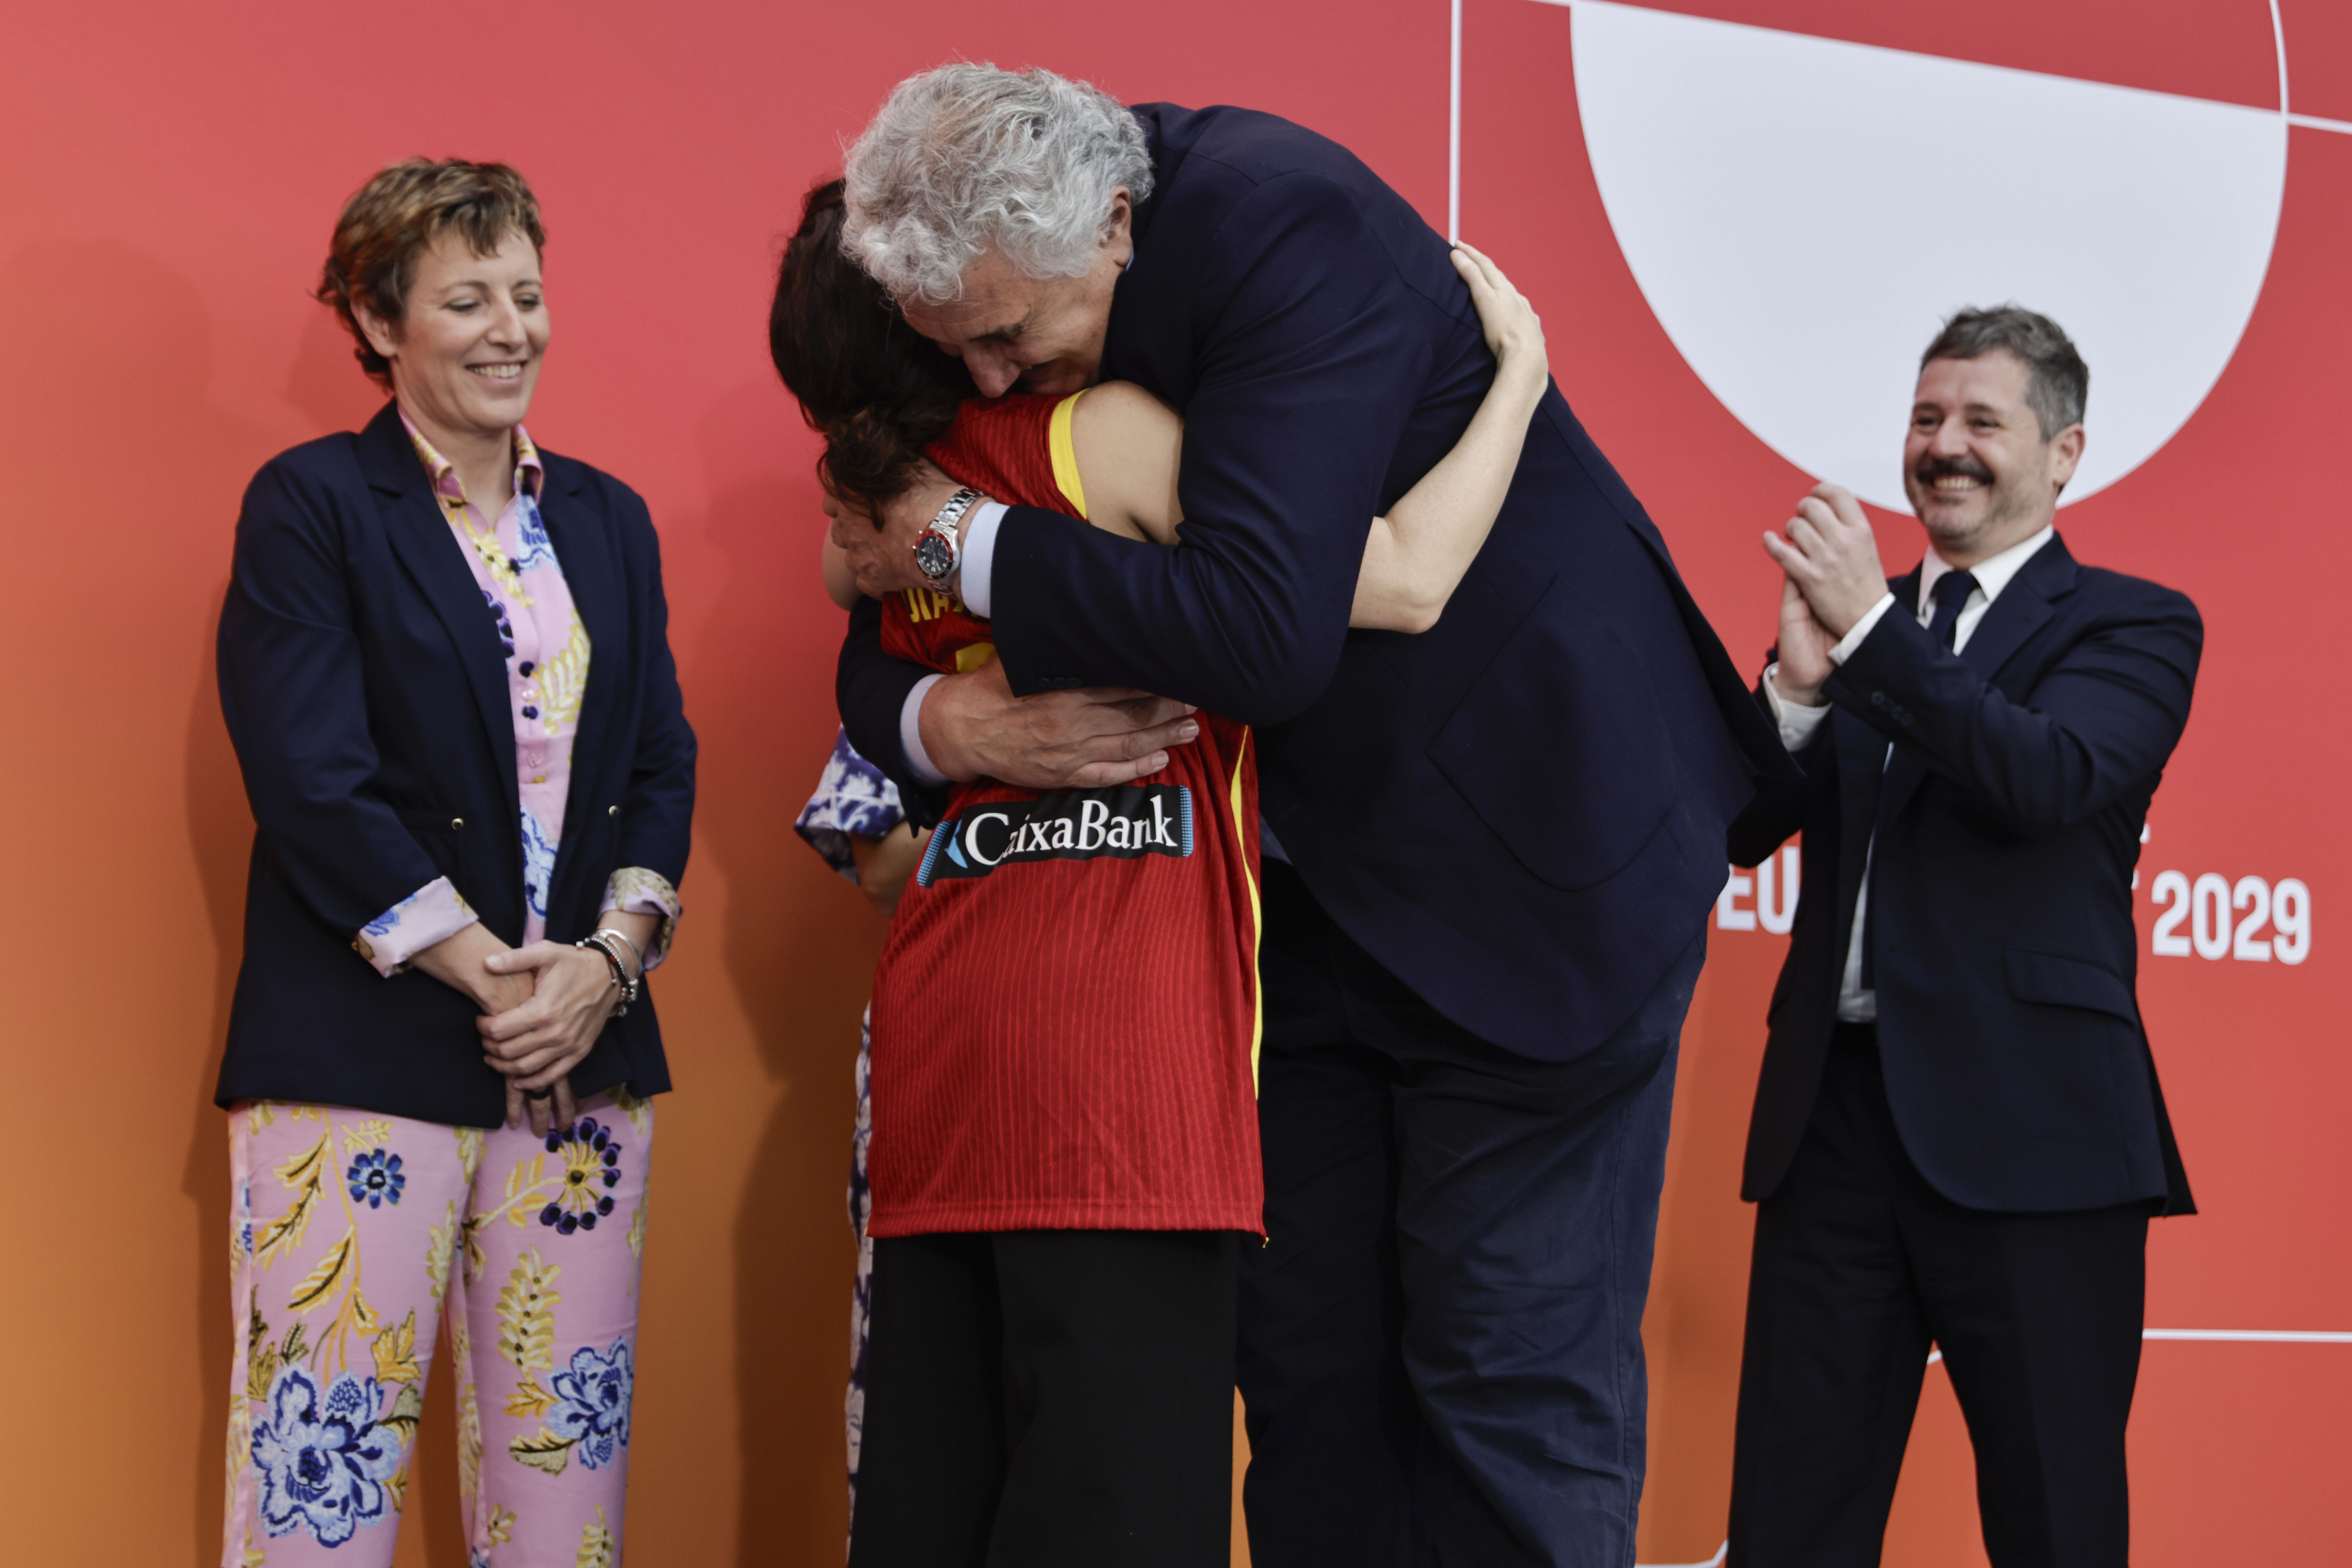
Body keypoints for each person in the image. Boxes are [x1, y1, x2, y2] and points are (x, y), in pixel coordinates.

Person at [825, 65, 1791, 1566]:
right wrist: (948, 715)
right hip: (1298, 915)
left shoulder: (1284, 223)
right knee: (1311, 1382)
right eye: (965, 357)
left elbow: (1264, 631)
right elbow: (879, 618)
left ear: (1116, 227)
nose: (997, 389)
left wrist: (963, 532)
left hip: (1533, 859)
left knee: (1503, 1385)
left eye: (1011, 343)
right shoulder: (996, 275)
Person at [773, 171, 1552, 1565]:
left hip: (947, 1034)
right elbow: (1404, 580)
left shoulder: (866, 506)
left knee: (927, 1513)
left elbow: (854, 618)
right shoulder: (1106, 440)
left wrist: (944, 713)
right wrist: (1519, 385)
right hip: (1118, 1059)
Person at [214, 158, 695, 1567]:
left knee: (567, 1499)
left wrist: (604, 970)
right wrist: (505, 985)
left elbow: (662, 762)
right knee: (325, 1489)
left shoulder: (608, 518)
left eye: (529, 295)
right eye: (467, 297)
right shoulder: (311, 505)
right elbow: (311, 777)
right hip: (361, 1066)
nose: (511, 329)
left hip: (585, 1075)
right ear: (377, 321)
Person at [1723, 306, 2200, 1567]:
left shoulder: (2135, 625)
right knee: (1790, 1520)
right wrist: (1795, 695)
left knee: (2056, 1520)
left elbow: (2044, 777)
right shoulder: (1849, 623)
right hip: (1834, 1127)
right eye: (1928, 417)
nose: (1946, 446)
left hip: (2038, 1135)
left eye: (1984, 421)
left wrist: (1874, 643)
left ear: (2064, 453)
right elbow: (1730, 824)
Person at [792, 722, 927, 1530]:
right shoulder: (923, 644)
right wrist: (1005, 751)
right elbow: (883, 865)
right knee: (921, 1420)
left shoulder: (1194, 617)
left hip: (1155, 1049)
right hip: (948, 1046)